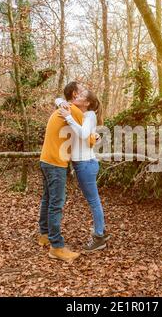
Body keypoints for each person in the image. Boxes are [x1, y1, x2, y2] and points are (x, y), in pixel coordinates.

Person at [38, 81, 85, 262]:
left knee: (48, 199)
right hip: (56, 163)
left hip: (46, 159)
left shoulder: (60, 109)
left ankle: (44, 235)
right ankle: (56, 246)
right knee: (56, 203)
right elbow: (86, 137)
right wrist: (95, 137)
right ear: (74, 94)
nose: (84, 94)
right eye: (82, 91)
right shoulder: (74, 111)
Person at [58, 90, 110, 252]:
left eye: (80, 96)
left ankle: (99, 237)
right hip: (84, 163)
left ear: (87, 103)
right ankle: (100, 231)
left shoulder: (89, 116)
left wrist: (67, 117)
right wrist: (60, 102)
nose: (76, 97)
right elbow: (58, 98)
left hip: (85, 165)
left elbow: (82, 134)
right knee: (93, 200)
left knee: (94, 201)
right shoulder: (82, 114)